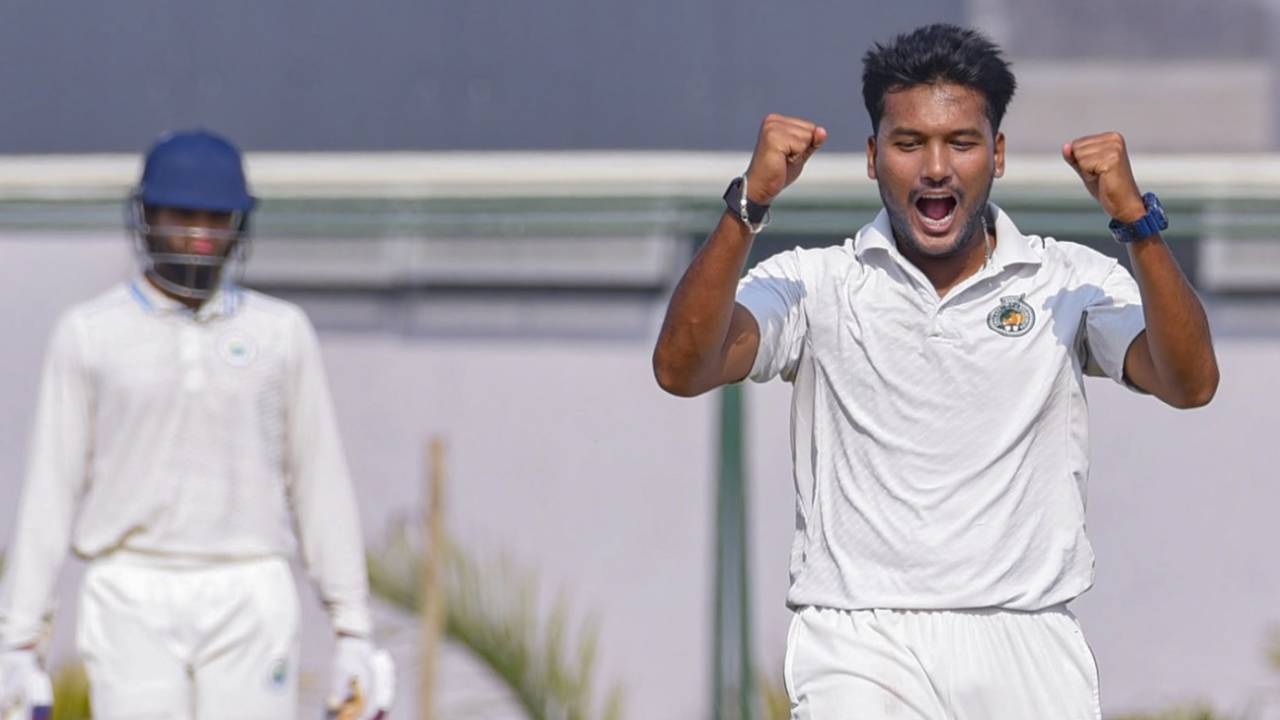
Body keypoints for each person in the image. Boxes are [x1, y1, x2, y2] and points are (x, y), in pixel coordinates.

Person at [652, 23, 1218, 719]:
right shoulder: (817, 282)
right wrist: (748, 207)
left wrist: (1136, 222)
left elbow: (1190, 383)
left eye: (961, 141)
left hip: (1027, 638)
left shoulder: (1067, 279)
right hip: (860, 643)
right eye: (909, 142)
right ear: (872, 156)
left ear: (998, 154)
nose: (936, 169)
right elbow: (682, 368)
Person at [0, 130, 394, 720]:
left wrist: (352, 631)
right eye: (182, 216)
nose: (199, 235)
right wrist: (17, 640)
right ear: (146, 216)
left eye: (216, 219)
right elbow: (50, 490)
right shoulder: (90, 333)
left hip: (248, 584)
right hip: (130, 588)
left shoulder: (278, 333)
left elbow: (319, 481)